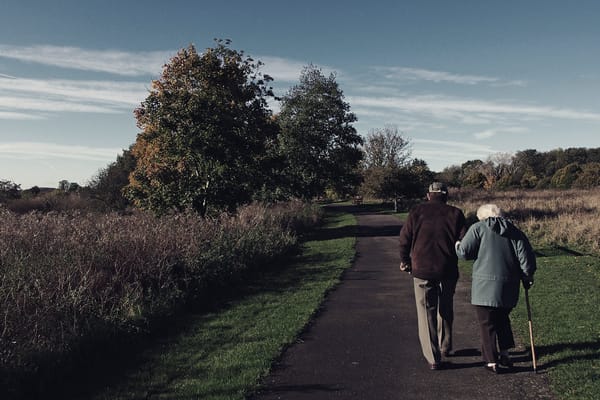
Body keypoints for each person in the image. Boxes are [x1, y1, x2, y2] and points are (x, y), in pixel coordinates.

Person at [455, 204, 536, 374]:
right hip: (509, 285)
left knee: (487, 323)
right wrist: (527, 276)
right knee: (502, 319)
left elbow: (463, 253)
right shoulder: (515, 231)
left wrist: (456, 244)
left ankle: (491, 360)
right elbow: (526, 258)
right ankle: (505, 354)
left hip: (484, 286)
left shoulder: (478, 228)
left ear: (482, 217)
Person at [398, 181, 466, 370]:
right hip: (448, 269)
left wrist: (404, 260)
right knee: (445, 307)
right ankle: (445, 346)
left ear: (428, 195)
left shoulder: (416, 212)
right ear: (445, 195)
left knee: (426, 311)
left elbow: (405, 239)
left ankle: (433, 357)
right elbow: (463, 242)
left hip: (422, 269)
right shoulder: (456, 213)